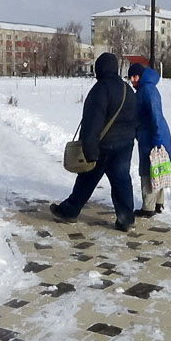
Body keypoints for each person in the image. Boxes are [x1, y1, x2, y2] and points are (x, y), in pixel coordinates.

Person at [50, 52, 137, 231]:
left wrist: (89, 150)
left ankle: (69, 212)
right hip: (125, 145)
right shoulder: (127, 89)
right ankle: (126, 220)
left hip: (104, 145)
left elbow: (92, 122)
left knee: (86, 180)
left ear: (99, 69)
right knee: (122, 181)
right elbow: (134, 117)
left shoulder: (100, 89)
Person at [128, 63, 171, 217]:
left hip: (152, 135)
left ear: (141, 76)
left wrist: (156, 139)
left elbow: (155, 115)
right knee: (158, 167)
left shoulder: (146, 90)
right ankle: (159, 203)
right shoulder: (147, 88)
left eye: (134, 76)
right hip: (154, 133)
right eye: (130, 78)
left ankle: (148, 207)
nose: (132, 80)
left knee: (148, 170)